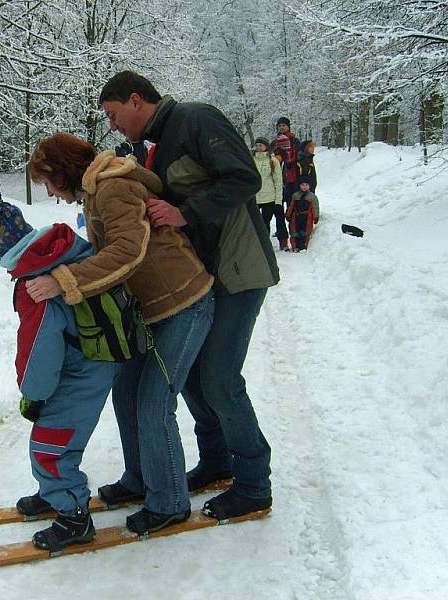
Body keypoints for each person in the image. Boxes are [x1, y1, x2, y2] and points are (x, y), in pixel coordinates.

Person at [98, 71, 279, 520]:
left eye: (113, 114)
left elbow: (243, 179)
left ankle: (254, 483)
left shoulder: (197, 119)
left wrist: (185, 212)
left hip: (239, 270)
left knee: (220, 379)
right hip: (205, 276)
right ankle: (217, 461)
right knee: (196, 376)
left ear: (136, 100)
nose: (113, 125)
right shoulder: (153, 147)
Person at [27, 132, 215, 534]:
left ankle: (169, 502)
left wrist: (64, 280)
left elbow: (128, 251)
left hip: (182, 303)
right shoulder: (98, 190)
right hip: (150, 309)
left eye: (49, 182)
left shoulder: (111, 187)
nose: (51, 193)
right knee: (126, 392)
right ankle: (140, 480)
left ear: (65, 171)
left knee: (153, 402)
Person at [0, 193, 117, 551]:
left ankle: (73, 517)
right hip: (94, 358)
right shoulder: (58, 254)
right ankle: (54, 494)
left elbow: (39, 347)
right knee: (55, 439)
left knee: (50, 447)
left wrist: (33, 393)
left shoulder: (34, 284)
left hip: (82, 371)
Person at [252, 137, 288, 250]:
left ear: (266, 147)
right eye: (257, 145)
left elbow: (278, 181)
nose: (258, 147)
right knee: (254, 223)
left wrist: (278, 200)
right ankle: (256, 245)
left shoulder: (273, 161)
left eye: (261, 145)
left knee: (265, 222)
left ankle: (265, 246)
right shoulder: (251, 159)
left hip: (269, 198)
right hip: (254, 197)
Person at [273, 117, 301, 211]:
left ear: (288, 127)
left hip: (292, 175)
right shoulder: (275, 142)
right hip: (278, 176)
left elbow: (299, 156)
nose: (281, 127)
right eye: (279, 126)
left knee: (292, 205)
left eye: (284, 125)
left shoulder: (294, 140)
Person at [286, 176, 320, 251]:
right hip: (296, 216)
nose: (304, 187)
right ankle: (295, 246)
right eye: (302, 185)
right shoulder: (295, 195)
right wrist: (288, 215)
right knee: (294, 231)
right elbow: (291, 206)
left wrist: (316, 217)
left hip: (307, 217)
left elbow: (315, 207)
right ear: (299, 186)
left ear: (309, 186)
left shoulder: (312, 197)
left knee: (305, 231)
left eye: (306, 185)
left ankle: (303, 246)